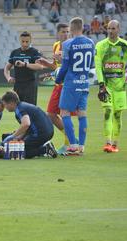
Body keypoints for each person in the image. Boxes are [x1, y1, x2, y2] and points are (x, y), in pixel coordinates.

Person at [55, 17, 95, 155]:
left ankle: (72, 146)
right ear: (82, 27)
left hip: (71, 83)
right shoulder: (91, 43)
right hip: (84, 83)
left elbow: (65, 66)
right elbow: (91, 65)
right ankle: (82, 146)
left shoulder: (67, 44)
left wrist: (58, 79)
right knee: (82, 114)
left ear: (71, 29)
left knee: (64, 112)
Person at [36, 23, 72, 154]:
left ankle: (69, 143)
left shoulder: (73, 46)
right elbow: (55, 66)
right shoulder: (56, 45)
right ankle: (70, 138)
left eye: (67, 31)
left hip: (68, 85)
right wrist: (46, 63)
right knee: (51, 114)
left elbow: (73, 66)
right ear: (58, 33)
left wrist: (61, 60)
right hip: (58, 85)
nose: (66, 34)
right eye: (63, 31)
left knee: (65, 114)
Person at [95, 20, 127, 153]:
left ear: (118, 29)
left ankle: (115, 143)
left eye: (113, 28)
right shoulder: (101, 45)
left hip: (120, 86)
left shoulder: (124, 45)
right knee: (108, 111)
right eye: (108, 28)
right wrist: (101, 84)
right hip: (106, 85)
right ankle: (107, 142)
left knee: (117, 114)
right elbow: (98, 65)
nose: (110, 31)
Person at [1, 91, 57, 159]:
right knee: (22, 143)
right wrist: (18, 137)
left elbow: (26, 124)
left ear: (11, 103)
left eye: (5, 105)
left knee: (20, 151)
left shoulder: (19, 109)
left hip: (41, 134)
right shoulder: (23, 105)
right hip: (49, 131)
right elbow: (27, 128)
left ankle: (45, 149)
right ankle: (43, 146)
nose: (5, 108)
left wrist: (13, 136)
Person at [4, 31, 43, 105]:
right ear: (19, 40)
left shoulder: (35, 52)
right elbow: (7, 68)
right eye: (23, 41)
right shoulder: (15, 52)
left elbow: (40, 66)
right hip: (18, 85)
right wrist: (8, 78)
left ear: (30, 41)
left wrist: (25, 64)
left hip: (30, 85)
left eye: (27, 41)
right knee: (17, 108)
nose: (25, 44)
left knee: (29, 108)